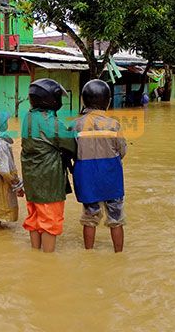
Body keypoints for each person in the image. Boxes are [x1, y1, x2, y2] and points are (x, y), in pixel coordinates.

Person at [21, 78, 76, 253]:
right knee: (50, 221)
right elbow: (71, 145)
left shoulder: (28, 117)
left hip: (31, 180)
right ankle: (47, 260)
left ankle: (35, 255)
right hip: (49, 182)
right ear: (52, 99)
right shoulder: (51, 123)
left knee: (34, 218)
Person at [72, 80, 127, 252]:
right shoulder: (114, 124)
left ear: (83, 101)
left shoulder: (76, 125)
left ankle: (89, 253)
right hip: (111, 177)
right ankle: (118, 255)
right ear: (108, 101)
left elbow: (72, 151)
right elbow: (122, 150)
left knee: (89, 217)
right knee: (116, 218)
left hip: (87, 178)